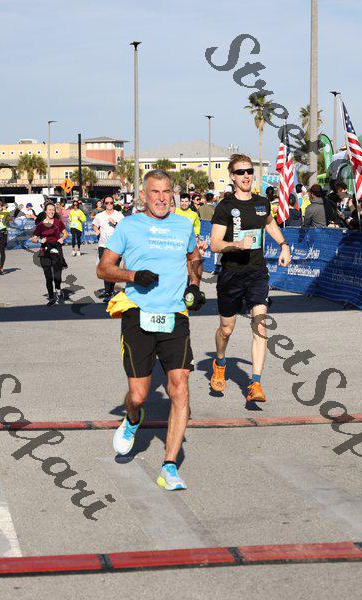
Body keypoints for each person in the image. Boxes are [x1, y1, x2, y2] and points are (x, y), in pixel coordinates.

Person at [96, 169, 205, 491]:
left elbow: (194, 258)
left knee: (180, 387)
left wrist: (195, 285)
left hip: (175, 315)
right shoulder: (129, 226)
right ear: (143, 195)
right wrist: (133, 276)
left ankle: (169, 465)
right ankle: (132, 419)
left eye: (166, 191)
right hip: (138, 314)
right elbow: (103, 268)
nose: (161, 198)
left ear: (173, 194)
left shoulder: (183, 225)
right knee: (139, 395)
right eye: (154, 192)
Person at [209, 153, 291, 402]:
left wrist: (284, 245)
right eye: (240, 172)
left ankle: (255, 383)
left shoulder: (262, 203)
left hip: (256, 273)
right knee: (226, 329)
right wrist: (236, 244)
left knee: (260, 326)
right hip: (231, 274)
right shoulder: (224, 207)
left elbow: (269, 224)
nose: (246, 176)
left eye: (249, 171)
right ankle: (220, 363)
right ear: (232, 176)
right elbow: (214, 244)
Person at [31, 202, 68, 306]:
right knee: (48, 277)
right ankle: (51, 297)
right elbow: (33, 239)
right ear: (45, 211)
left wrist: (62, 239)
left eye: (53, 210)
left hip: (56, 250)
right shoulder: (41, 225)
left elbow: (65, 234)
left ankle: (58, 289)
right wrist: (39, 241)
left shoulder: (58, 222)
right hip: (45, 251)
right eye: (49, 210)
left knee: (57, 276)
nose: (51, 211)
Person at [93, 197, 124, 302]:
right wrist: (96, 231)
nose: (109, 204)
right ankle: (107, 293)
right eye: (107, 203)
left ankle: (111, 291)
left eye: (111, 202)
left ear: (113, 203)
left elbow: (125, 228)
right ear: (104, 204)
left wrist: (115, 224)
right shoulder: (100, 215)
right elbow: (94, 225)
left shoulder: (119, 215)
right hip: (103, 245)